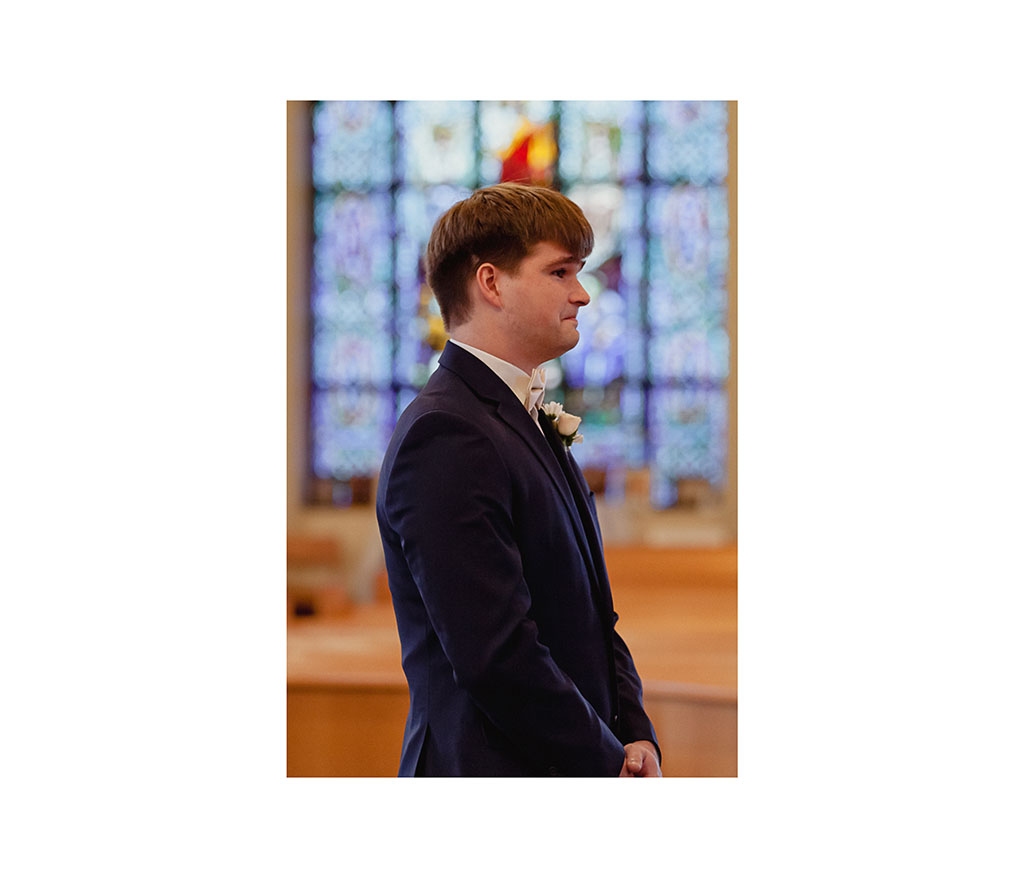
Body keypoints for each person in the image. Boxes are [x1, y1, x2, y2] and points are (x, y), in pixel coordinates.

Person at [375, 182, 661, 777]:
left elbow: (594, 616)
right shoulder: (447, 434)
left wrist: (635, 734)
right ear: (491, 283)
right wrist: (607, 763)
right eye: (560, 272)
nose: (583, 293)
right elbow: (495, 655)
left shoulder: (523, 417)